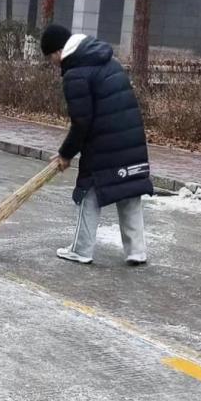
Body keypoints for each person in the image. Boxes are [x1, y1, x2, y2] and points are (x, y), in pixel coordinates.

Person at [40, 24, 151, 266]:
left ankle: (81, 250)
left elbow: (81, 122)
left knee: (88, 191)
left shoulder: (76, 73)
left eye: (50, 58)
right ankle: (137, 251)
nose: (53, 64)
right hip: (131, 137)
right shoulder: (108, 61)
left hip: (103, 142)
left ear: (58, 52)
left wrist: (65, 154)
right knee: (129, 189)